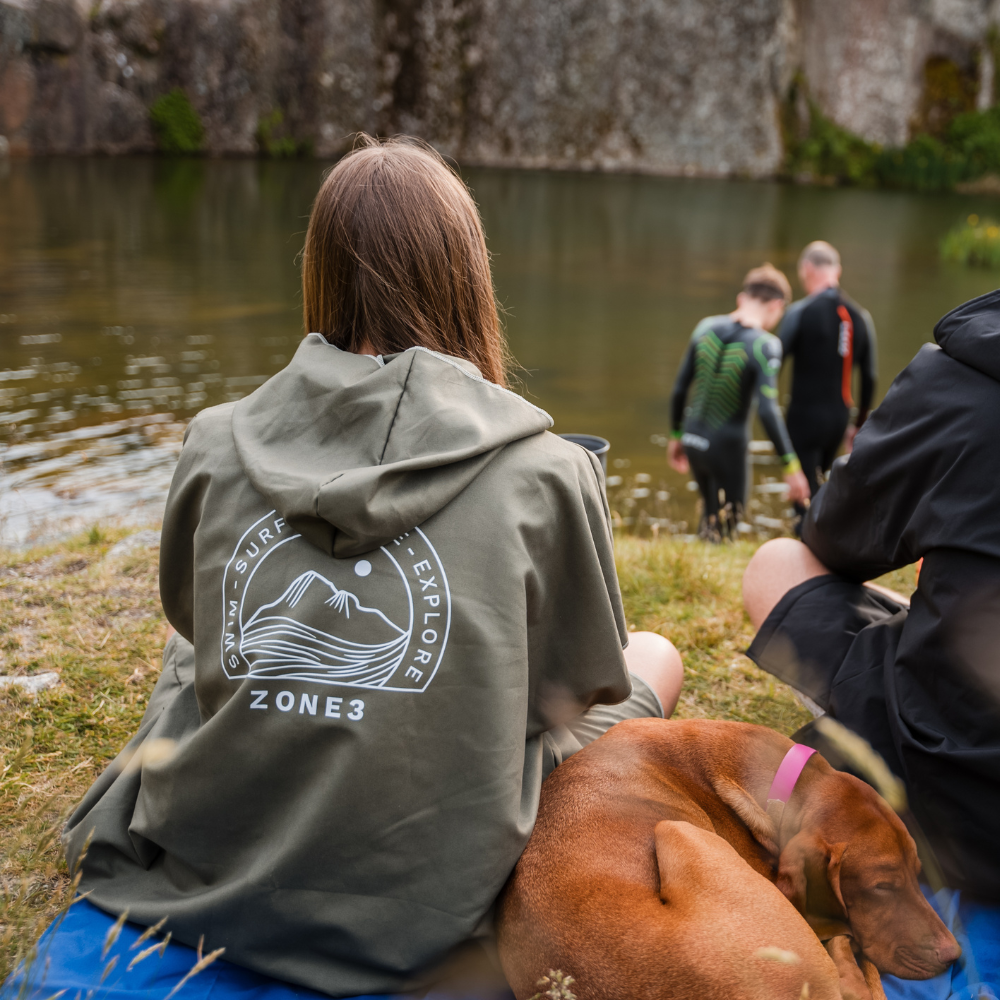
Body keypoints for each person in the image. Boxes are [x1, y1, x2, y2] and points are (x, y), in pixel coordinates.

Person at [25, 137, 685, 999]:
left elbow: (192, 623)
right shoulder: (547, 467)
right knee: (655, 656)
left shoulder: (217, 439)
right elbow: (575, 689)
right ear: (467, 276)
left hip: (218, 871)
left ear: (322, 275)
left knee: (188, 663)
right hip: (432, 906)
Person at [742, 289, 1000, 999]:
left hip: (952, 789)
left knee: (775, 563)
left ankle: (843, 745)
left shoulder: (966, 372)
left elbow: (831, 538)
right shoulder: (855, 322)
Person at [668, 264, 809, 539]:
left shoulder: (705, 326)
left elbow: (679, 389)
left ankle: (697, 564)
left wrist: (675, 435)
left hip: (693, 439)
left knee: (710, 513)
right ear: (777, 306)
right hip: (727, 447)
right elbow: (768, 411)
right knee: (728, 523)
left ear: (741, 298)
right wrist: (791, 466)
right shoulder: (765, 344)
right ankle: (705, 573)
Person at [778, 241, 877, 510]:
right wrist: (858, 425)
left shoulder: (800, 311)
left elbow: (773, 362)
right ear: (838, 270)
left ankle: (802, 540)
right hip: (838, 419)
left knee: (802, 494)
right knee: (821, 485)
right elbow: (869, 376)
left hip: (803, 417)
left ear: (807, 268)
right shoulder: (861, 316)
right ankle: (819, 539)